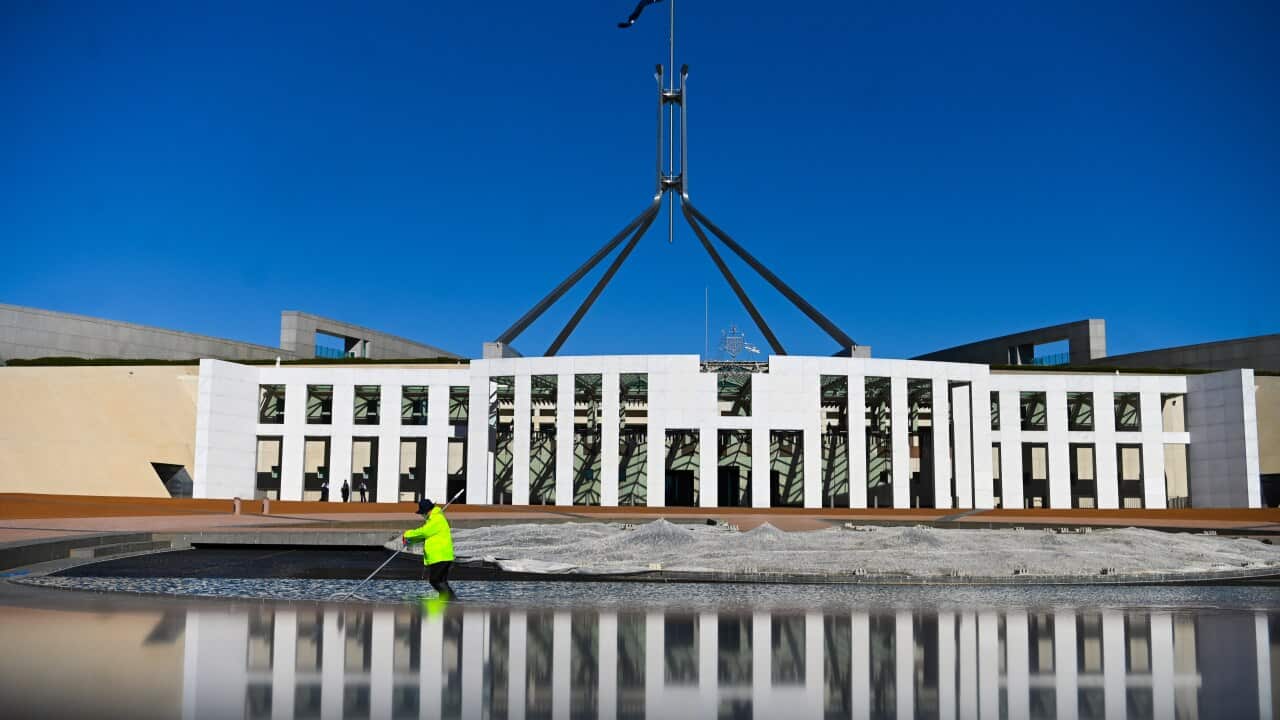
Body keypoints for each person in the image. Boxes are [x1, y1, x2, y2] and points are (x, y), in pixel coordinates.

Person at [402, 498, 456, 599]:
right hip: (441, 556)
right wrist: (410, 541)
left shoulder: (437, 519)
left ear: (427, 511)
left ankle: (451, 600)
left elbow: (424, 532)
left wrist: (407, 534)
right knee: (441, 581)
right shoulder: (433, 519)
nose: (422, 515)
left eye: (422, 513)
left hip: (440, 556)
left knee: (435, 580)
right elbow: (426, 536)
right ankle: (447, 600)